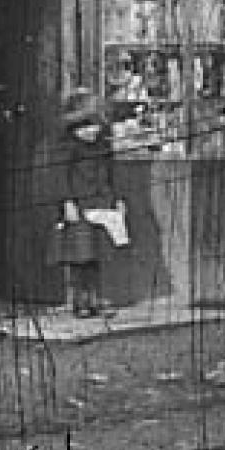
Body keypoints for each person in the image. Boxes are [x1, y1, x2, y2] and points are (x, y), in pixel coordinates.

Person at [46, 88, 129, 317]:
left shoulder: (102, 147)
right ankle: (79, 300)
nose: (92, 131)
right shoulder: (67, 147)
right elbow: (60, 176)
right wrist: (66, 202)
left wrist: (117, 199)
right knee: (78, 255)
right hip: (79, 204)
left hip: (100, 203)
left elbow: (111, 175)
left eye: (95, 125)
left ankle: (94, 298)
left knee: (96, 254)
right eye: (85, 126)